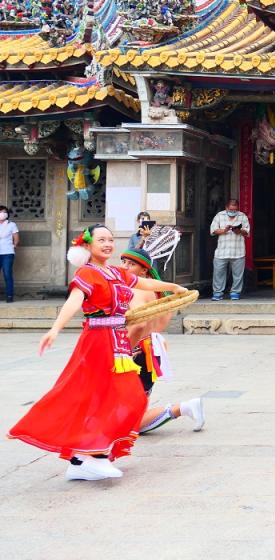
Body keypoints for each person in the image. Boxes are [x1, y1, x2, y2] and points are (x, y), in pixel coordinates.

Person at [7, 225, 186, 481]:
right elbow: (74, 301)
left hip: (118, 342)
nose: (108, 244)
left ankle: (81, 460)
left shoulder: (115, 272)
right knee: (110, 397)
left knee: (128, 397)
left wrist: (173, 287)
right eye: (101, 239)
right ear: (88, 246)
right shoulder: (87, 273)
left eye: (111, 239)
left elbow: (144, 281)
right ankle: (93, 455)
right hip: (98, 341)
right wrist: (55, 329)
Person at [120, 248, 205, 436]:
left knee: (128, 423)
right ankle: (184, 408)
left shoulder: (134, 290)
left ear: (144, 271)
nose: (124, 267)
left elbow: (139, 325)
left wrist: (123, 351)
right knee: (131, 417)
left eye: (131, 264)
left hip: (135, 354)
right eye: (123, 261)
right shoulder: (160, 292)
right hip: (152, 351)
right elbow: (160, 324)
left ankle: (182, 408)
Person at [209, 199, 250, 301]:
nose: (233, 211)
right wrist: (224, 230)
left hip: (238, 251)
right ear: (226, 208)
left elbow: (247, 232)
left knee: (238, 275)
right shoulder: (219, 216)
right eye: (231, 209)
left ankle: (235, 292)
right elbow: (213, 230)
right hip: (221, 251)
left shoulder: (242, 216)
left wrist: (239, 231)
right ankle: (217, 293)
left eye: (235, 209)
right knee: (218, 273)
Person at [0, 205, 19, 303]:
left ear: (7, 214)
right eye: (0, 212)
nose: (2, 214)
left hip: (7, 253)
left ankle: (9, 296)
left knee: (7, 274)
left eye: (4, 212)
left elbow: (16, 237)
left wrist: (14, 245)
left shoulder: (11, 224)